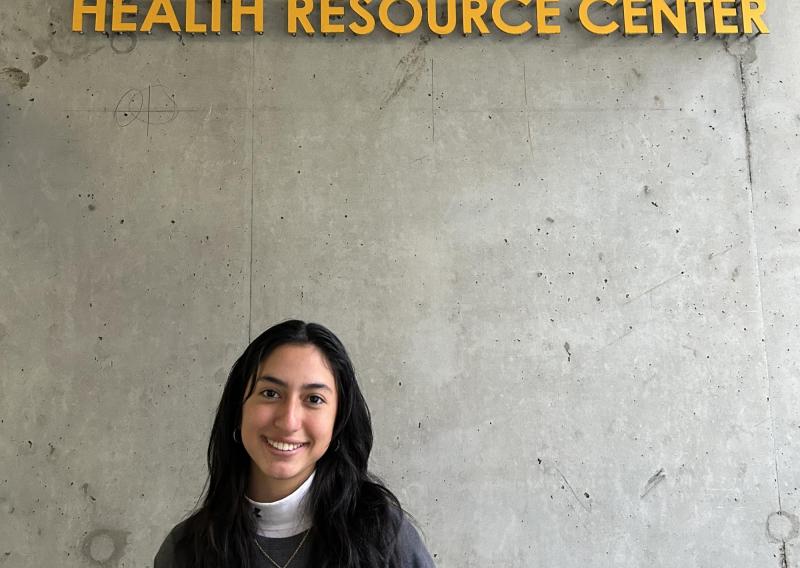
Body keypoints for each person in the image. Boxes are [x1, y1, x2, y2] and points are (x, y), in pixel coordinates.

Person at [154, 320, 435, 568]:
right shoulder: (186, 551)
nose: (288, 421)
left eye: (314, 399)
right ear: (238, 410)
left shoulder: (383, 536)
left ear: (338, 422)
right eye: (270, 393)